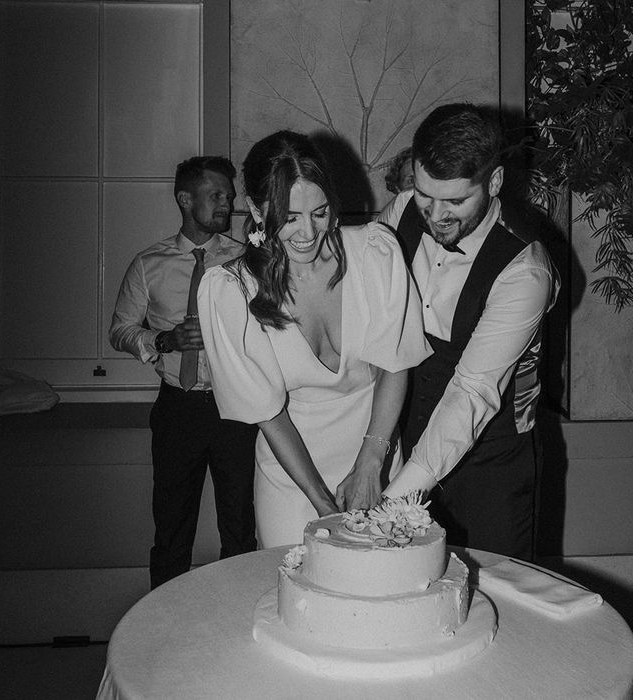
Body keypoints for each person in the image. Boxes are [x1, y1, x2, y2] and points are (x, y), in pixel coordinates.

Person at [198, 130, 431, 547]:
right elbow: (269, 414)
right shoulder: (231, 289)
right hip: (293, 478)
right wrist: (324, 504)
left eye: (320, 212)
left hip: (375, 458)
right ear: (254, 208)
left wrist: (371, 463)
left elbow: (396, 363)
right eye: (288, 218)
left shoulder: (375, 253)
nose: (308, 232)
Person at [378, 103, 560, 561]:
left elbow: (473, 390)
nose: (435, 215)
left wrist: (397, 497)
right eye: (425, 195)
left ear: (494, 182)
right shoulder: (402, 210)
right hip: (408, 437)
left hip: (490, 462)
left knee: (496, 598)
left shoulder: (525, 268)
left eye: (455, 202)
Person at [109, 156, 258, 589]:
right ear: (184, 198)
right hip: (178, 408)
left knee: (240, 529)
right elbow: (120, 330)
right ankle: (163, 635)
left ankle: (238, 624)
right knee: (172, 531)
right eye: (216, 196)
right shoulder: (147, 264)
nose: (226, 205)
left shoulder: (246, 261)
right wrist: (164, 341)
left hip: (236, 409)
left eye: (228, 197)